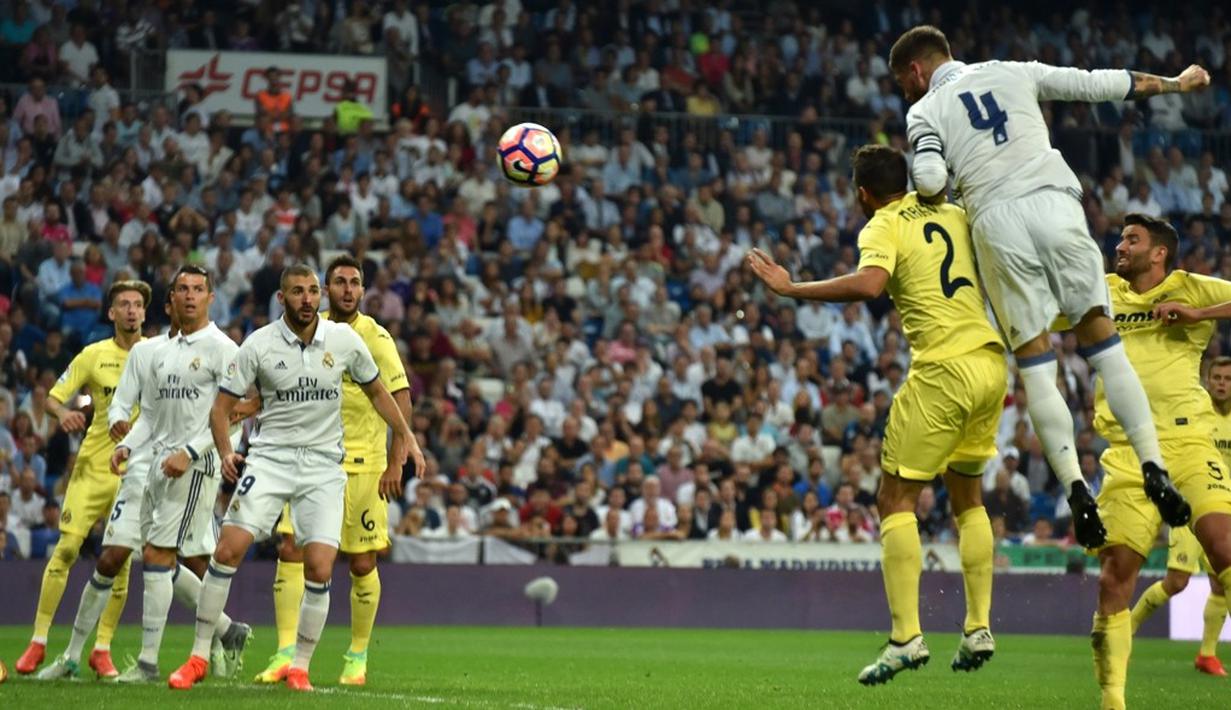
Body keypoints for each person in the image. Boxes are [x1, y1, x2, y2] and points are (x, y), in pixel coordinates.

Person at [889, 25, 1212, 548]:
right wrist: (1175, 84)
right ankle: (1154, 467)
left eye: (904, 83)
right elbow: (1096, 84)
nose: (906, 92)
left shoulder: (924, 111)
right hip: (1054, 199)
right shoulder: (1013, 70)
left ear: (916, 71)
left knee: (1037, 363)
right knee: (1105, 346)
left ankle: (1077, 491)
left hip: (996, 219)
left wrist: (934, 173)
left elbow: (928, 182)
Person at [747, 144, 1004, 684]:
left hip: (942, 367)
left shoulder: (882, 225)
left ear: (862, 192)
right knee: (967, 495)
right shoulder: (951, 211)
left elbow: (870, 285)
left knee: (894, 497)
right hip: (990, 362)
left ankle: (905, 639)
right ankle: (978, 626)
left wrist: (792, 288)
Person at [167, 265, 420, 692]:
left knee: (320, 566)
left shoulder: (344, 341)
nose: (307, 299)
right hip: (270, 462)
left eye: (311, 291)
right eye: (297, 292)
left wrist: (408, 439)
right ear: (281, 299)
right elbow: (221, 407)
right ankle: (197, 656)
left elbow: (380, 392)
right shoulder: (259, 345)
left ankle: (300, 666)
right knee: (228, 550)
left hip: (324, 468)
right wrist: (228, 452)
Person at [38, 268, 252, 682]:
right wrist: (126, 446)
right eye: (183, 290)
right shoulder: (156, 351)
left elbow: (235, 418)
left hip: (195, 466)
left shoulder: (225, 349)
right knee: (114, 557)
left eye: (198, 290)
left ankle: (152, 664)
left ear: (210, 297)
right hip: (150, 464)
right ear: (171, 299)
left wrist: (190, 453)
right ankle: (71, 657)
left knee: (160, 556)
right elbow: (148, 416)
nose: (190, 297)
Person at [1079, 215, 1231, 708]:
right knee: (1114, 576)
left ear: (1159, 252)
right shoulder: (1100, 290)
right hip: (1125, 453)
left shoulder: (1191, 288)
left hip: (1187, 443)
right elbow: (1043, 307)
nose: (1120, 246)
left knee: (1224, 546)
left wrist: (1199, 315)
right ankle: (1113, 700)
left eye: (1132, 240)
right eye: (1121, 238)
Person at [255, 255, 416, 687]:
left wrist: (396, 460)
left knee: (361, 561)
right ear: (325, 290)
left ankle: (357, 657)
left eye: (354, 283)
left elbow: (400, 399)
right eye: (339, 282)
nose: (347, 289)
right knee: (291, 549)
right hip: (310, 459)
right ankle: (285, 653)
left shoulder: (375, 338)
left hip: (364, 465)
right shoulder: (311, 333)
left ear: (363, 291)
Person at [14, 281, 149, 678]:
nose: (130, 311)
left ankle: (102, 648)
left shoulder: (157, 355)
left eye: (137, 305)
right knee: (68, 548)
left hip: (135, 472)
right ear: (111, 313)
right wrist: (62, 415)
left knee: (120, 561)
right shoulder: (93, 355)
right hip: (93, 467)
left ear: (145, 313)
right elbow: (55, 397)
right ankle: (38, 641)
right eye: (123, 304)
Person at [254, 67, 293, 133]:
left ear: (279, 77)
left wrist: (269, 114)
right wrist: (280, 114)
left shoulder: (287, 96)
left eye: (276, 76)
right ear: (267, 78)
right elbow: (260, 114)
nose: (273, 78)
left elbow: (289, 114)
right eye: (271, 76)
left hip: (284, 131)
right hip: (265, 131)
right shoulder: (260, 95)